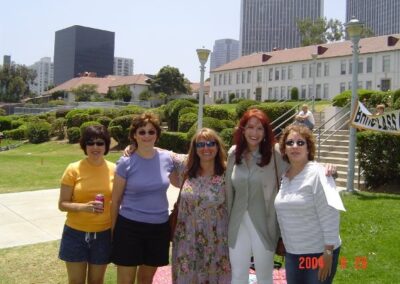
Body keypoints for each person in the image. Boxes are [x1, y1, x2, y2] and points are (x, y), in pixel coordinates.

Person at [226, 108, 335, 284]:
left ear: (266, 131)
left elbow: (300, 161)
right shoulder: (233, 153)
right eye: (250, 127)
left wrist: (325, 168)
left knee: (264, 277)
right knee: (238, 276)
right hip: (237, 225)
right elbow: (228, 190)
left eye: (260, 128)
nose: (254, 133)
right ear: (243, 129)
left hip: (265, 225)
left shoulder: (275, 152)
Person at [111, 112, 181, 284]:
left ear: (157, 135)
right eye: (142, 132)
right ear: (134, 135)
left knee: (146, 280)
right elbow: (115, 201)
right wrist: (113, 232)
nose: (147, 136)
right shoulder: (125, 162)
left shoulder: (167, 159)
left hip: (159, 229)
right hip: (129, 228)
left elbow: (178, 183)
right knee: (125, 281)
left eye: (151, 132)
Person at [274, 124, 345, 284]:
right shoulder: (284, 177)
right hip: (292, 253)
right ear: (284, 149)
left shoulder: (319, 173)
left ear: (308, 148)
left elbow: (331, 214)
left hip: (318, 252)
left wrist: (328, 252)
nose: (295, 146)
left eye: (300, 143)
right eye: (290, 142)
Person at [171, 128, 231, 283]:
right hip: (187, 239)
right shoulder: (185, 166)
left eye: (211, 143)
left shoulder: (228, 171)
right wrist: (132, 147)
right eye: (201, 144)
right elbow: (159, 152)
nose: (206, 148)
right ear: (194, 148)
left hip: (217, 240)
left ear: (218, 147)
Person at [58, 125, 115, 284]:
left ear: (106, 145)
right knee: (76, 281)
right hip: (75, 233)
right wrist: (84, 207)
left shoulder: (115, 169)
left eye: (100, 143)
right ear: (84, 145)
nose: (95, 147)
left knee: (97, 281)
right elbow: (62, 204)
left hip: (103, 234)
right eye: (90, 143)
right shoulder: (73, 169)